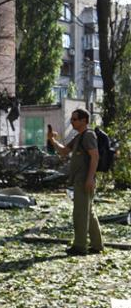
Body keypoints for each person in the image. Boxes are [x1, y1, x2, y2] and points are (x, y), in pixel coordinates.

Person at [47, 108, 104, 255]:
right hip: (80, 180)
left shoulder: (88, 135)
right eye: (71, 119)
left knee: (80, 214)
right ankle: (97, 245)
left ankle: (79, 247)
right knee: (88, 213)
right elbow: (64, 151)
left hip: (85, 180)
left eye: (74, 119)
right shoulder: (79, 137)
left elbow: (95, 157)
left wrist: (90, 178)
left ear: (84, 120)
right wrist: (52, 140)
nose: (71, 121)